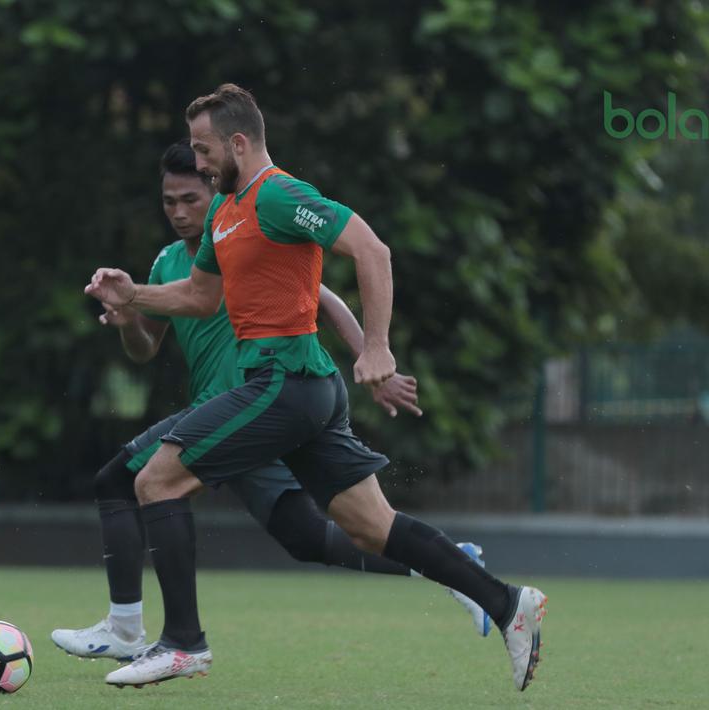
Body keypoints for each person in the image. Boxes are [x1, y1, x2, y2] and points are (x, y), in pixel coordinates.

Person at [85, 84, 546, 692]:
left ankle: (182, 644)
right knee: (368, 527)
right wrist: (133, 295)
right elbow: (200, 298)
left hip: (283, 381)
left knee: (154, 480)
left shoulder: (277, 194)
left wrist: (377, 345)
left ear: (239, 143)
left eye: (203, 149)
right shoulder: (225, 211)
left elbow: (370, 249)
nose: (196, 163)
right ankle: (509, 604)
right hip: (300, 388)